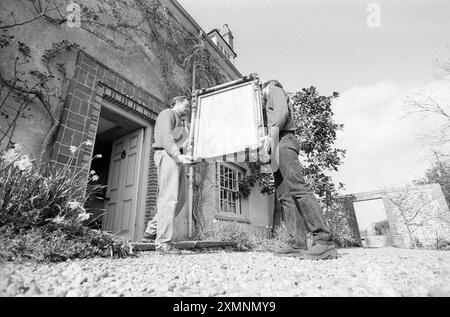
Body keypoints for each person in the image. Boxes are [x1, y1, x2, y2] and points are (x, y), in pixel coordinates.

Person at [261, 80, 339, 260]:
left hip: (283, 141)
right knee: (285, 196)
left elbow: (280, 114)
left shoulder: (273, 89)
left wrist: (269, 139)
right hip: (276, 143)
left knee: (298, 188)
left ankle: (324, 241)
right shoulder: (267, 100)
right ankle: (296, 243)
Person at [143, 95, 192, 254]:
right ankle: (163, 242)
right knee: (169, 197)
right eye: (186, 103)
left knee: (180, 198)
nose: (188, 106)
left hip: (176, 158)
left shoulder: (181, 122)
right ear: (176, 102)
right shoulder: (167, 114)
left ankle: (152, 230)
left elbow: (181, 143)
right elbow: (166, 137)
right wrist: (177, 154)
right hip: (167, 155)